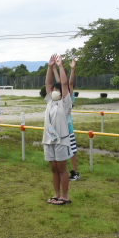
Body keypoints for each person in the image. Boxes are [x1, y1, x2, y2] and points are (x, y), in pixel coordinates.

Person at [43, 54, 72, 206]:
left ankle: (65, 196)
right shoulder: (50, 102)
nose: (53, 91)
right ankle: (56, 194)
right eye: (53, 90)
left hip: (61, 140)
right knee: (54, 169)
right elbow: (47, 83)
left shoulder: (65, 103)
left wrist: (60, 66)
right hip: (49, 139)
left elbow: (65, 84)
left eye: (56, 90)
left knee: (61, 168)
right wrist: (49, 67)